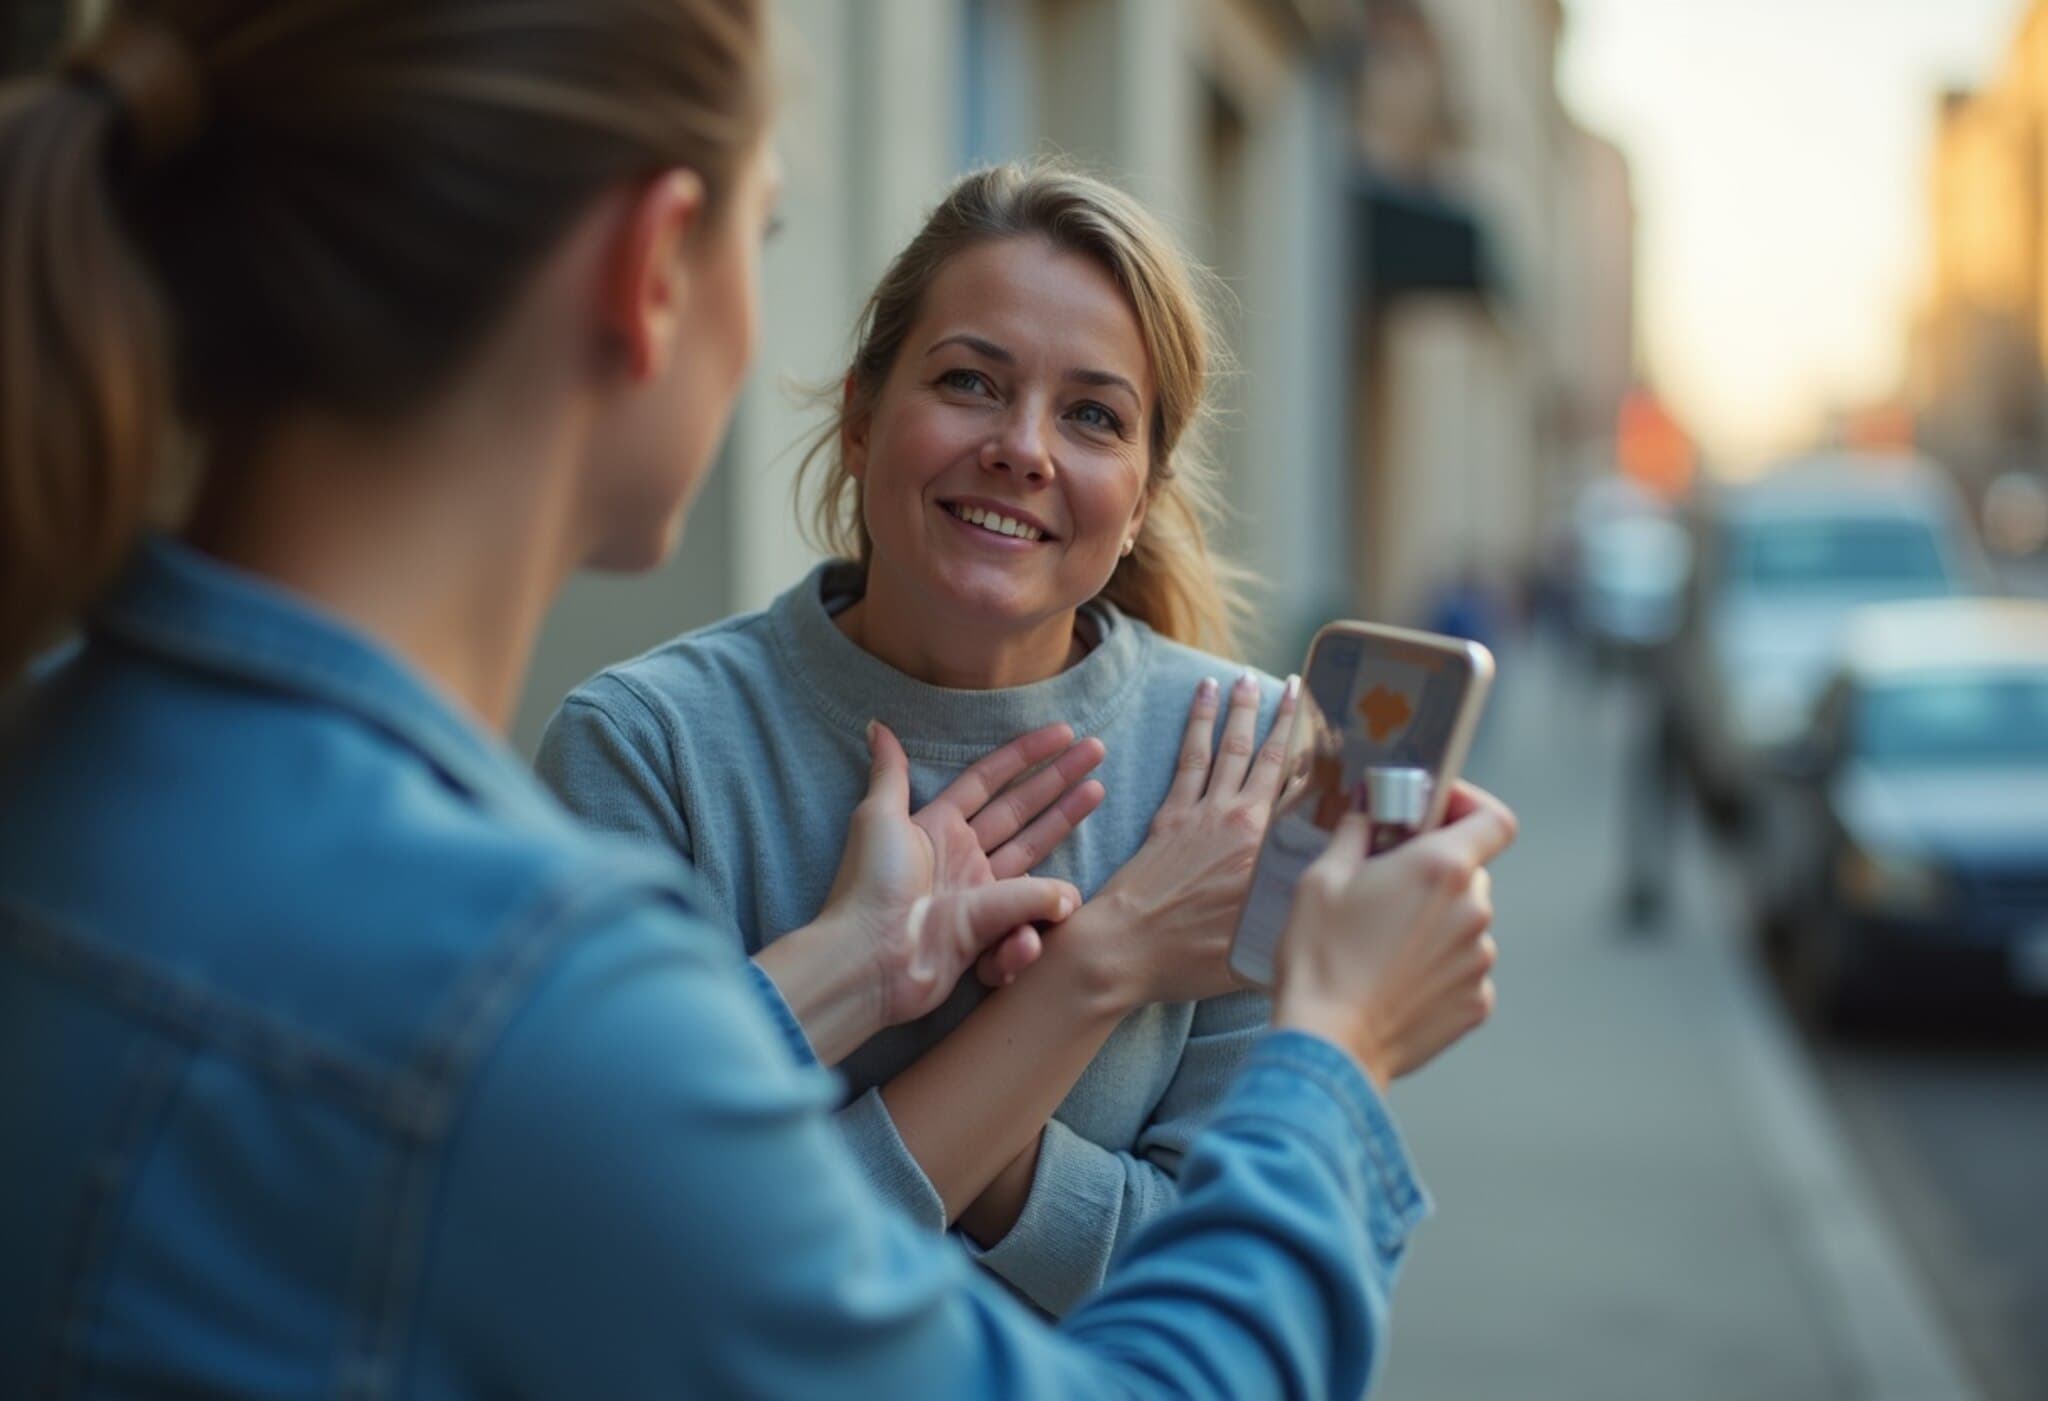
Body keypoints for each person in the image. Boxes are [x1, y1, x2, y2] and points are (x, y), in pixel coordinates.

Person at [0, 3, 1517, 1398]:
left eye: (1093, 415)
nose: (1023, 449)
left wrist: (848, 974)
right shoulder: (532, 976)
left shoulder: (55, 760)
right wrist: (1333, 1049)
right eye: (763, 226)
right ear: (653, 270)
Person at [539, 162, 1299, 1316]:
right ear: (859, 418)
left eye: (1093, 415)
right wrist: (1104, 969)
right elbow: (633, 1270)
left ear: (1140, 495)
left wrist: (991, 1156)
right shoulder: (647, 750)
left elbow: (1236, 1286)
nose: (1024, 449)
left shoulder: (1245, 761)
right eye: (968, 382)